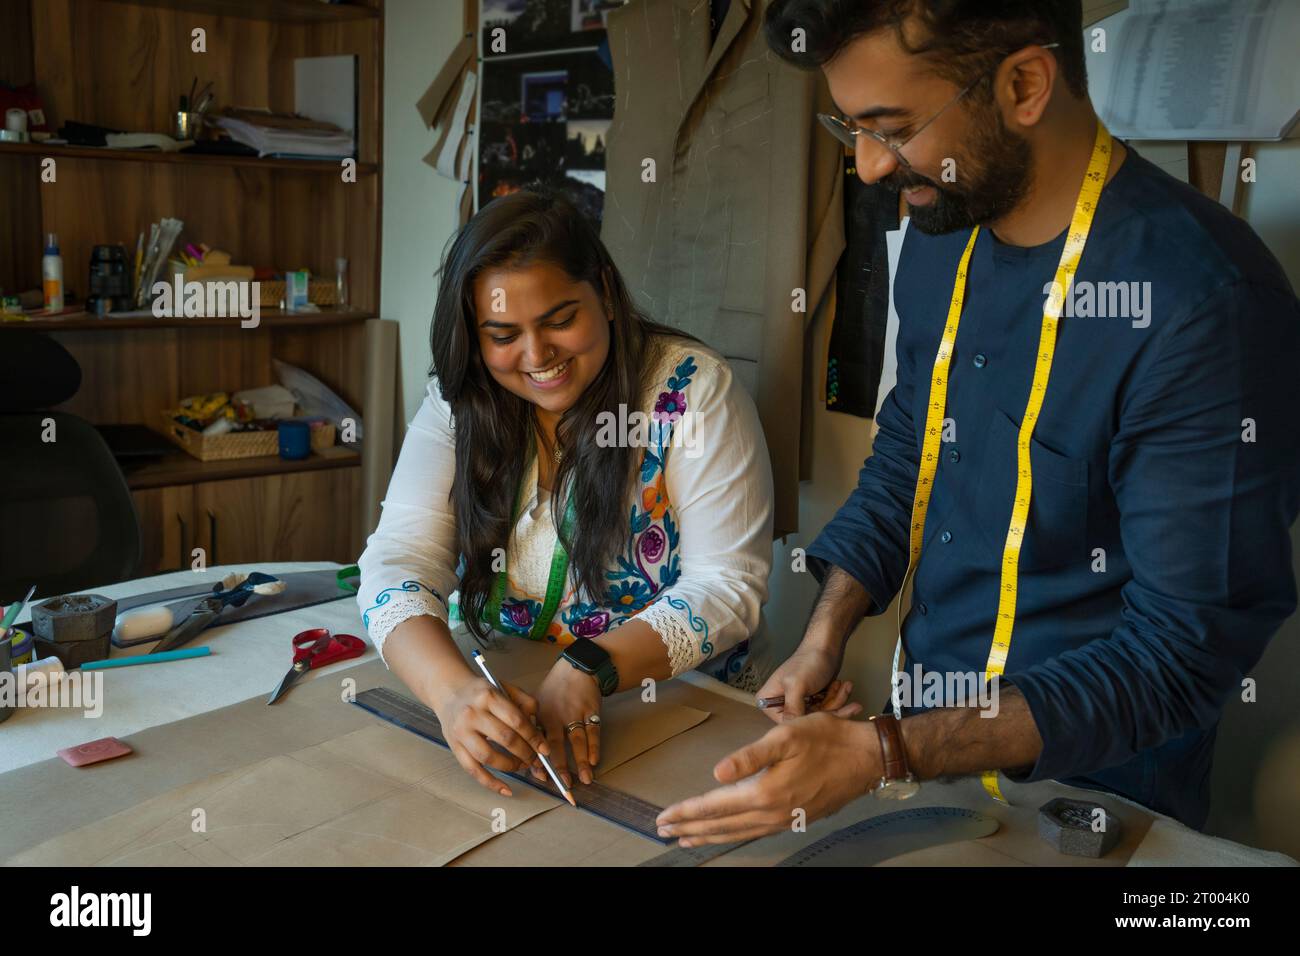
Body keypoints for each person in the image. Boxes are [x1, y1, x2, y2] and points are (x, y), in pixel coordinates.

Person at [657, 0, 1300, 847]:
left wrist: (887, 750)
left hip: (1095, 792)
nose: (870, 167)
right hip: (919, 751)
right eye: (848, 127)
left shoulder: (1203, 303)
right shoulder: (941, 228)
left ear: (1025, 84)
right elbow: (908, 450)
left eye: (891, 126)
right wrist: (824, 636)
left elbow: (1178, 655)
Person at [356, 189, 781, 796]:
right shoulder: (461, 402)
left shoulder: (692, 394)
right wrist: (452, 695)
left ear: (605, 293)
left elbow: (728, 586)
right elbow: (399, 556)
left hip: (685, 708)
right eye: (503, 334)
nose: (537, 355)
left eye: (560, 320)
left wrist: (592, 665)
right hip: (516, 691)